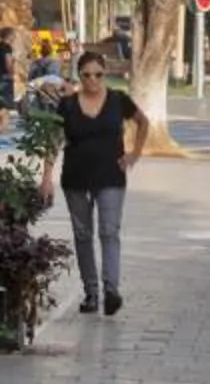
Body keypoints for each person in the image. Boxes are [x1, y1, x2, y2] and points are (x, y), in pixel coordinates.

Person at [40, 49, 148, 316]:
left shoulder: (118, 100)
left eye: (98, 75)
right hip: (76, 177)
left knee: (109, 232)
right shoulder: (67, 105)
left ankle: (111, 290)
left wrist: (134, 153)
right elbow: (54, 139)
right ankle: (91, 292)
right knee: (83, 235)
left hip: (110, 176)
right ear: (79, 76)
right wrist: (46, 177)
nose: (92, 80)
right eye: (87, 75)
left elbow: (143, 122)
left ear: (105, 74)